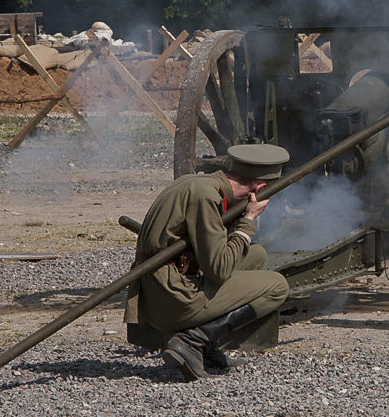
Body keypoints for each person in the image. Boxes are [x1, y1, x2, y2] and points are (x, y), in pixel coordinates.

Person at [124, 144, 291, 381]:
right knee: (277, 286)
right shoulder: (206, 197)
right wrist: (248, 220)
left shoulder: (199, 184)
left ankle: (204, 346)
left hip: (162, 286)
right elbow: (219, 269)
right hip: (172, 297)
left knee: (256, 255)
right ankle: (193, 341)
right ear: (261, 188)